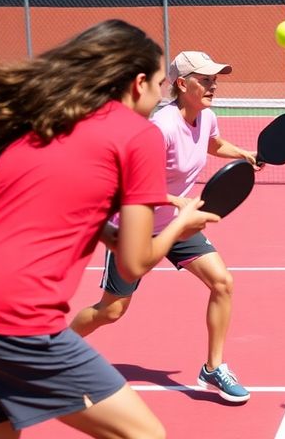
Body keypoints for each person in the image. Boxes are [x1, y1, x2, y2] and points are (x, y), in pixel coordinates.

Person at [0, 19, 220, 439]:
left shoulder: (47, 124)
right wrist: (181, 224)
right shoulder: (139, 135)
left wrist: (107, 232)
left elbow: (54, 203)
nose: (159, 95)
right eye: (157, 84)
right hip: (11, 311)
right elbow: (135, 265)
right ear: (138, 84)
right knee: (144, 435)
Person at [70, 50, 258, 403]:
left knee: (222, 282)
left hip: (176, 224)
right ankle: (55, 352)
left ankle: (213, 368)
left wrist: (244, 153)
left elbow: (214, 144)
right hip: (135, 226)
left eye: (214, 79)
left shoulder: (207, 117)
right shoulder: (161, 127)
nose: (213, 85)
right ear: (182, 84)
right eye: (205, 79)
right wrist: (176, 202)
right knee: (111, 310)